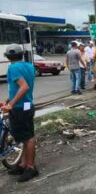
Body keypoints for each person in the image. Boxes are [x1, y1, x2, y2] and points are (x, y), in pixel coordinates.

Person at [0, 44, 38, 182]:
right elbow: (21, 88)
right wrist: (8, 100)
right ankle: (22, 164)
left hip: (20, 108)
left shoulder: (13, 68)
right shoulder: (29, 66)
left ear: (8, 56)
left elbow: (24, 86)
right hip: (27, 105)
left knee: (28, 138)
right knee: (25, 136)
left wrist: (11, 104)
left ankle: (31, 167)